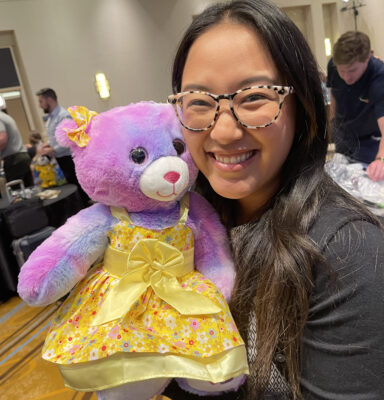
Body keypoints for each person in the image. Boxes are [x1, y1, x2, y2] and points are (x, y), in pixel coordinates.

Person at [162, 1, 384, 399]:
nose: (225, 131)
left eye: (254, 97)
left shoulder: (346, 253)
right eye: (198, 101)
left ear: (302, 106)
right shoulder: (179, 230)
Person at [327, 31, 384, 181]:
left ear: (367, 58)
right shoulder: (332, 65)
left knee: (371, 179)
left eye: (352, 70)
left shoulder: (379, 76)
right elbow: (333, 96)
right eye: (342, 71)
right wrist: (331, 123)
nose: (346, 77)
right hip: (342, 133)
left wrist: (381, 160)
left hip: (369, 140)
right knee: (342, 181)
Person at [36, 88, 89, 204]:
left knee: (79, 190)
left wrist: (52, 149)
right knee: (72, 191)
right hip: (60, 159)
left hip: (70, 159)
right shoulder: (50, 119)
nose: (40, 105)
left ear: (49, 100)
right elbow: (56, 138)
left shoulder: (64, 116)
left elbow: (69, 140)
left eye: (41, 101)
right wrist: (47, 145)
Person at [0, 95, 33, 187]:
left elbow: (2, 139)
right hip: (23, 157)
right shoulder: (5, 116)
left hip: (14, 161)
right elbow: (10, 143)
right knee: (29, 190)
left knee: (17, 194)